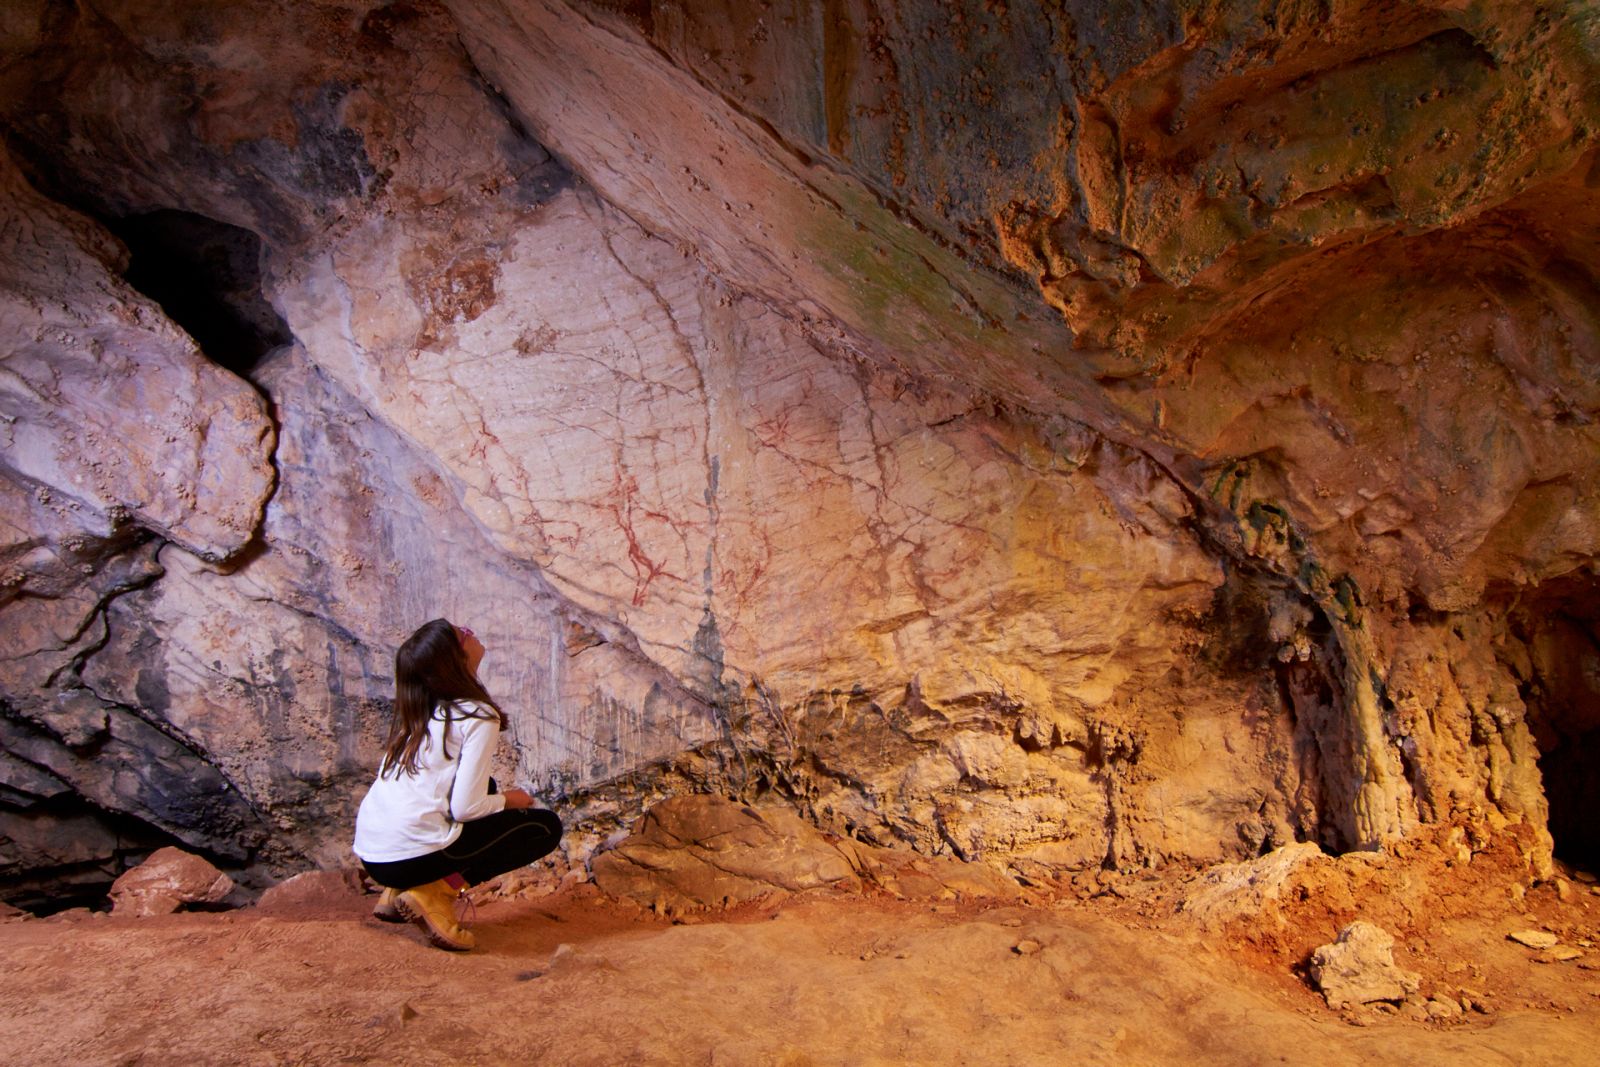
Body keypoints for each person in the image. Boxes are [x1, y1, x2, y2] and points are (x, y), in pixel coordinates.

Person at [353, 618, 562, 950]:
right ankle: (433, 893)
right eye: (462, 634)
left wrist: (496, 797)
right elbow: (465, 808)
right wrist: (512, 800)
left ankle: (394, 895)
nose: (470, 631)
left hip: (375, 859)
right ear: (455, 658)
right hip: (409, 858)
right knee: (544, 828)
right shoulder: (477, 715)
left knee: (487, 786)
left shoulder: (422, 711)